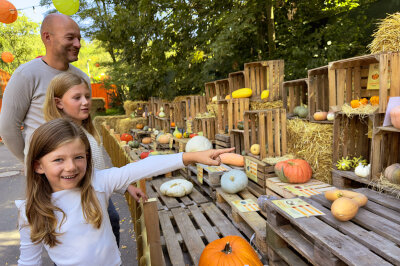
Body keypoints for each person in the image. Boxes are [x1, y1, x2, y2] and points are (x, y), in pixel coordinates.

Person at [16, 118, 233, 265]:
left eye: (78, 157)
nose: (71, 166)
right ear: (38, 166)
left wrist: (190, 157)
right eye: (58, 160)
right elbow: (29, 261)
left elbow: (140, 168)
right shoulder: (30, 211)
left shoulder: (98, 183)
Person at [0, 14, 121, 247]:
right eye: (70, 37)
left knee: (108, 221)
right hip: (52, 176)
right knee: (65, 234)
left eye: (79, 38)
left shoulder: (81, 77)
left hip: (83, 171)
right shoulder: (27, 74)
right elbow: (8, 127)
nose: (78, 44)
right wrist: (36, 160)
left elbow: (87, 129)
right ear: (47, 37)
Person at [43, 72, 145, 246]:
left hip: (98, 197)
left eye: (87, 97)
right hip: (77, 208)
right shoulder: (57, 137)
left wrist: (124, 186)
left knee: (111, 224)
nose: (85, 102)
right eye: (77, 97)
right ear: (58, 103)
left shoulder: (89, 130)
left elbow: (99, 171)